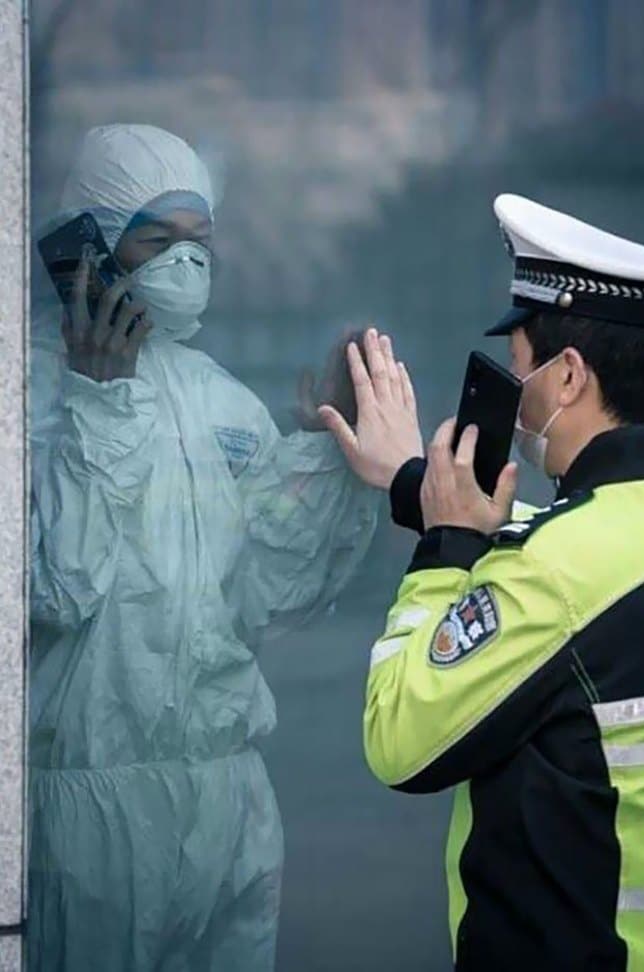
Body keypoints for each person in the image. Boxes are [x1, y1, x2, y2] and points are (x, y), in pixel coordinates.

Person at [28, 123, 401, 972]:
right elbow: (56, 589)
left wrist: (326, 461)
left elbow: (268, 588)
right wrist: (99, 402)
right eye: (158, 239)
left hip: (229, 802)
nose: (186, 262)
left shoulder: (219, 400)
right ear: (89, 245)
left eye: (200, 241)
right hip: (89, 818)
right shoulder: (32, 391)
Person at [321, 194, 644, 970]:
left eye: (520, 369)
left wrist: (445, 552)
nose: (516, 392)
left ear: (567, 376)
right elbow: (588, 570)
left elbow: (400, 739)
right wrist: (412, 480)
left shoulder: (554, 574)